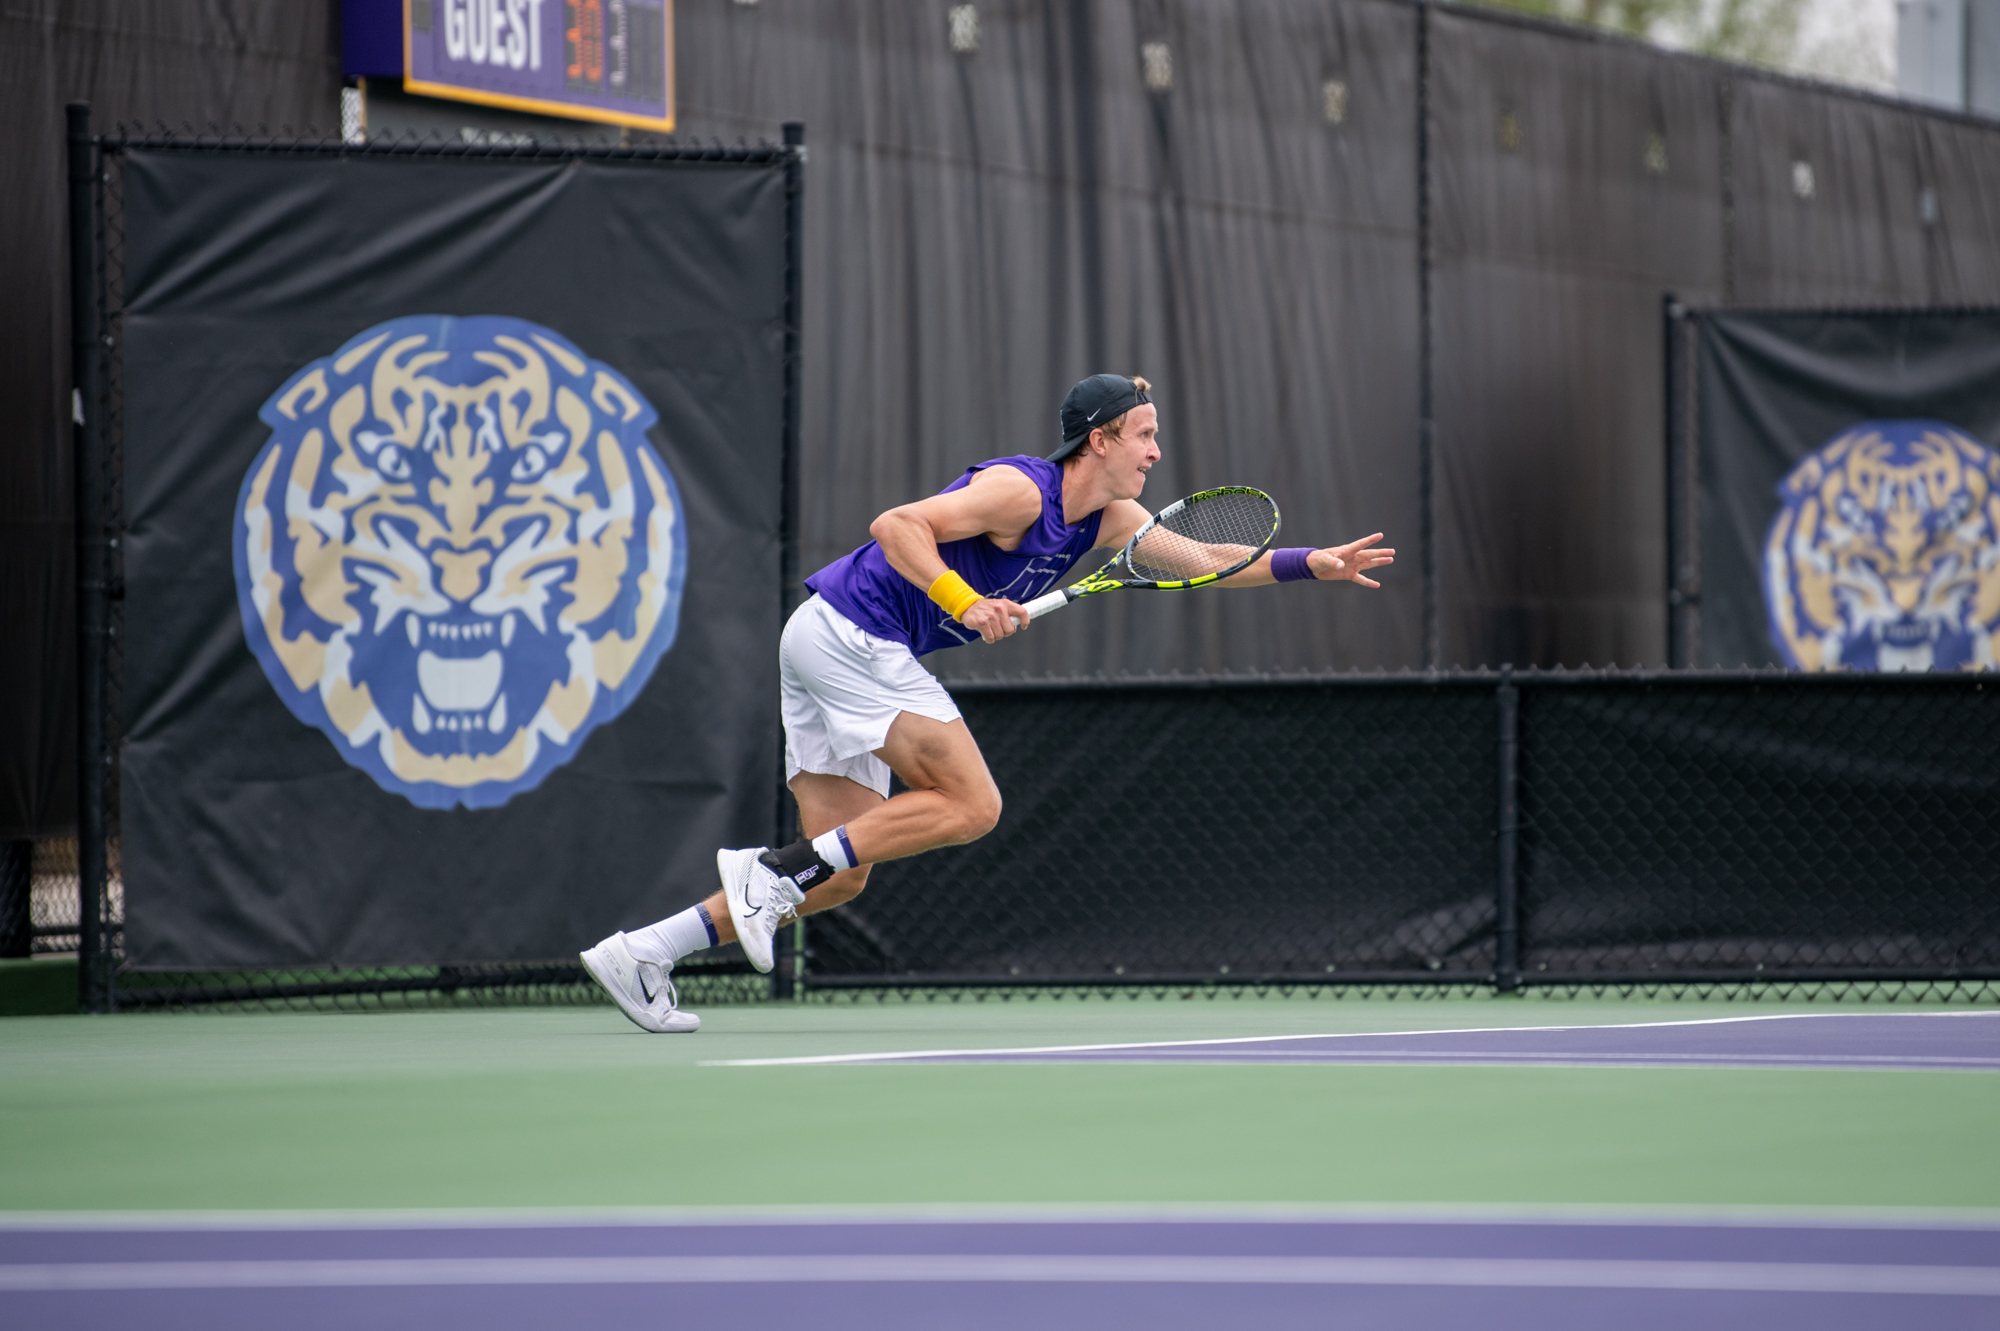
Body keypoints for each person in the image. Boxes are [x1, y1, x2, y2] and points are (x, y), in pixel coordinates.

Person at [580, 374, 1394, 1031]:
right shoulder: (1020, 492)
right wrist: (963, 599)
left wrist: (1308, 561)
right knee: (971, 804)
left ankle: (646, 951)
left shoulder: (1112, 520)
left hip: (826, 641)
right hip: (851, 634)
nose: (1154, 449)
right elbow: (895, 524)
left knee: (841, 870)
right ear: (1101, 437)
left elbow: (1209, 556)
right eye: (1143, 433)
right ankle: (768, 875)